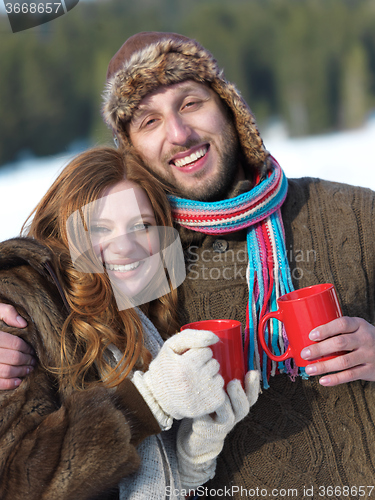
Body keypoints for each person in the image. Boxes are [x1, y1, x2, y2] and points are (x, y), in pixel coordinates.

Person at [1, 31, 375, 497]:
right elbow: (46, 278)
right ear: (130, 148)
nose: (178, 133)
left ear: (229, 107)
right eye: (149, 120)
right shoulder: (138, 265)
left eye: (191, 103)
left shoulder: (355, 213)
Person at [0, 145, 259, 500]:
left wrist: (192, 456)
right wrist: (149, 401)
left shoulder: (142, 314)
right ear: (63, 232)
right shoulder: (22, 310)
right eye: (99, 228)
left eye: (142, 226)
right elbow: (19, 484)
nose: (126, 247)